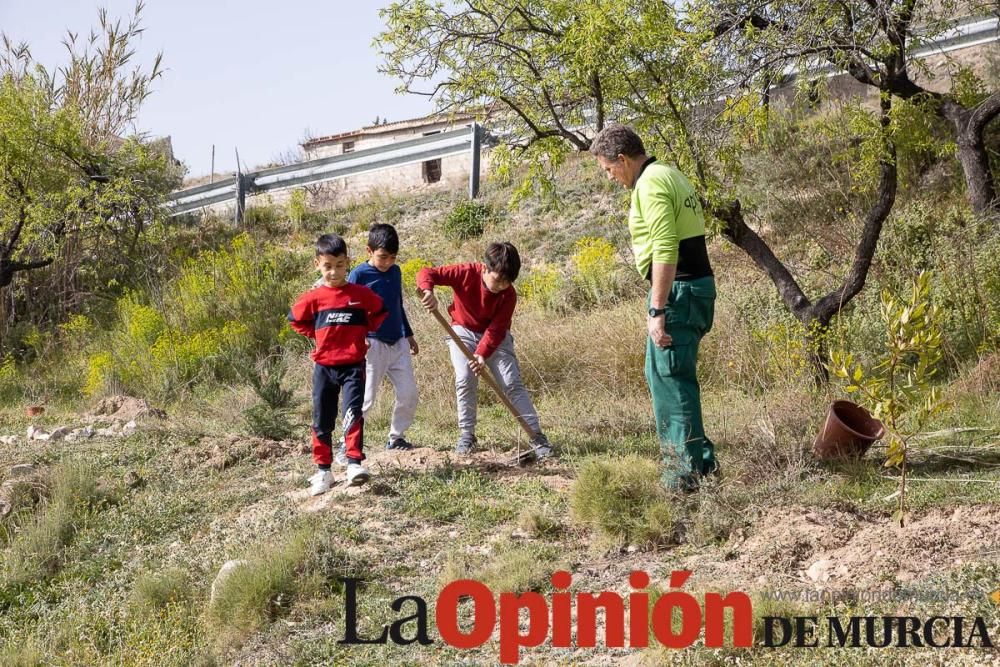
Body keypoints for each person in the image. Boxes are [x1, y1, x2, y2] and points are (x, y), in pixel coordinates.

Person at [590, 123, 718, 491]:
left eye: (608, 169)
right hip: (695, 288)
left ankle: (684, 476)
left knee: (671, 380)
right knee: (663, 375)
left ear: (623, 159)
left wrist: (657, 310)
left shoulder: (650, 184)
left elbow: (666, 249)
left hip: (678, 292)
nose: (610, 177)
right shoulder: (671, 174)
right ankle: (701, 463)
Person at [415, 242, 552, 458]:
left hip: (496, 338)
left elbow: (497, 330)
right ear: (485, 268)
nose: (501, 286)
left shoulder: (509, 295)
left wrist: (481, 354)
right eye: (498, 280)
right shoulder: (466, 273)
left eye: (507, 282)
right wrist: (427, 290)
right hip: (463, 331)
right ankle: (467, 436)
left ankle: (537, 436)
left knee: (511, 383)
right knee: (465, 377)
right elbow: (427, 272)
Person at [288, 234, 388, 495]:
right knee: (322, 418)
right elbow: (295, 320)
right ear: (317, 265)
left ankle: (354, 464)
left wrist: (362, 333)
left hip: (354, 365)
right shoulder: (313, 298)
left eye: (340, 265)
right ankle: (324, 470)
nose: (334, 272)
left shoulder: (360, 294)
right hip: (324, 367)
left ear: (348, 263)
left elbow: (379, 312)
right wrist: (317, 334)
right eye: (328, 266)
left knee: (353, 412)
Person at [331, 223, 419, 466]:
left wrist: (409, 334)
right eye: (382, 257)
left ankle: (396, 438)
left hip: (398, 342)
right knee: (365, 398)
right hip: (372, 344)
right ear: (368, 251)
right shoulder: (359, 275)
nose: (388, 262)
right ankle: (345, 444)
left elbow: (397, 304)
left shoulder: (396, 272)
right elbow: (350, 308)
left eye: (392, 257)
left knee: (409, 394)